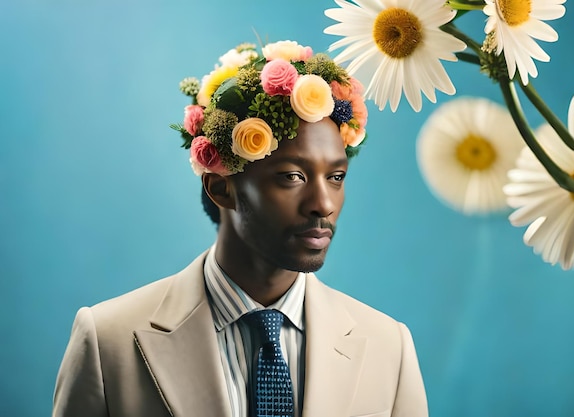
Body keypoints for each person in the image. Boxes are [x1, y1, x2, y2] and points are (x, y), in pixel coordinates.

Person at [52, 40, 428, 417]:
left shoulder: (388, 347)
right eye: (292, 176)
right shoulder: (108, 341)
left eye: (336, 177)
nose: (324, 204)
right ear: (220, 187)